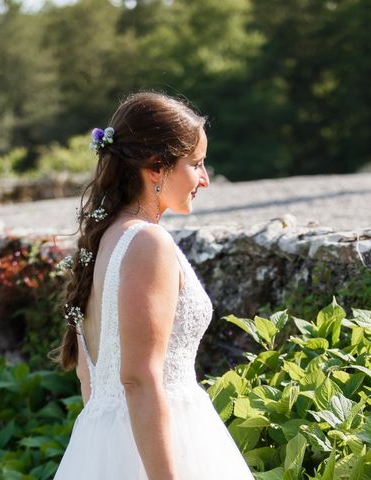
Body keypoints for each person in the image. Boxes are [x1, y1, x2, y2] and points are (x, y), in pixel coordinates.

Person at [52, 92, 254, 479]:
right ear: (156, 168)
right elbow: (139, 378)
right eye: (196, 164)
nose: (205, 179)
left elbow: (89, 382)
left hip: (104, 450)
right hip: (163, 450)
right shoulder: (147, 243)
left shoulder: (103, 241)